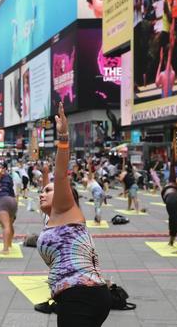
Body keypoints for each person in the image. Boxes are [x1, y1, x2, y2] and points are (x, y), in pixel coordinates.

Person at [37, 103, 111, 326]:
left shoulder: (66, 212)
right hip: (77, 295)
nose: (42, 194)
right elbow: (51, 179)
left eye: (47, 192)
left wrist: (63, 137)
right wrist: (45, 177)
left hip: (82, 295)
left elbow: (60, 176)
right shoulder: (53, 220)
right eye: (41, 191)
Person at [0, 161, 17, 254]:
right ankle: (9, 244)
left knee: (5, 226)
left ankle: (5, 249)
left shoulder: (3, 177)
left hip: (2, 201)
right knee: (10, 224)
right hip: (12, 201)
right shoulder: (8, 178)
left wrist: (0, 174)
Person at [162, 162, 177, 254]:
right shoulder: (175, 185)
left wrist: (172, 164)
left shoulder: (171, 183)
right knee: (173, 220)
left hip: (172, 201)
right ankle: (171, 241)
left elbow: (173, 173)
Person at [83, 158, 105, 224]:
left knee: (97, 207)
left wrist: (89, 164)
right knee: (98, 207)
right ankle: (97, 219)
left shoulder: (89, 180)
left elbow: (89, 173)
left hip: (98, 192)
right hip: (101, 192)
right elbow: (88, 173)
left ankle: (98, 221)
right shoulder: (89, 182)